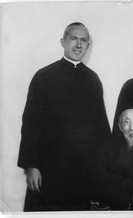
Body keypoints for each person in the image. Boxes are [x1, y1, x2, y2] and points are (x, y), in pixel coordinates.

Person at [17, 22, 111, 211]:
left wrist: (105, 168)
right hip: (48, 170)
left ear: (88, 45)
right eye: (73, 38)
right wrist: (31, 166)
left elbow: (101, 127)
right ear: (63, 42)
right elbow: (30, 125)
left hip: (83, 171)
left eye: (83, 40)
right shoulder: (43, 77)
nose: (78, 45)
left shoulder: (93, 80)